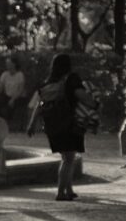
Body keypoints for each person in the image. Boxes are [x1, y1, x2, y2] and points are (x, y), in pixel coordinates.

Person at [26, 53, 97, 201]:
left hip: (52, 124)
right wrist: (95, 104)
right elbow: (81, 95)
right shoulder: (71, 79)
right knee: (69, 158)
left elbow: (39, 105)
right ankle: (60, 192)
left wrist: (32, 124)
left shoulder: (47, 83)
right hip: (69, 122)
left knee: (66, 157)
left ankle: (69, 189)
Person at [0, 55, 26, 122]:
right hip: (8, 96)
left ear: (14, 64)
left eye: (9, 63)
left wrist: (13, 99)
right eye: (7, 63)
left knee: (11, 105)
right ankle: (0, 120)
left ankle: (9, 122)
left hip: (18, 97)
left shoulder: (20, 75)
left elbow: (20, 90)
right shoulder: (5, 74)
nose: (7, 65)